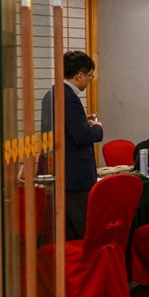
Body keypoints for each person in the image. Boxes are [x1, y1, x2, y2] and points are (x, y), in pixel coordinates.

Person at [59, 51, 103, 240]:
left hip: (64, 172)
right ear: (80, 75)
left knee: (69, 233)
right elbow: (82, 135)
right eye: (90, 76)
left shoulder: (55, 92)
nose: (89, 80)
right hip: (77, 176)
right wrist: (98, 129)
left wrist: (81, 120)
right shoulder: (70, 98)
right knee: (85, 232)